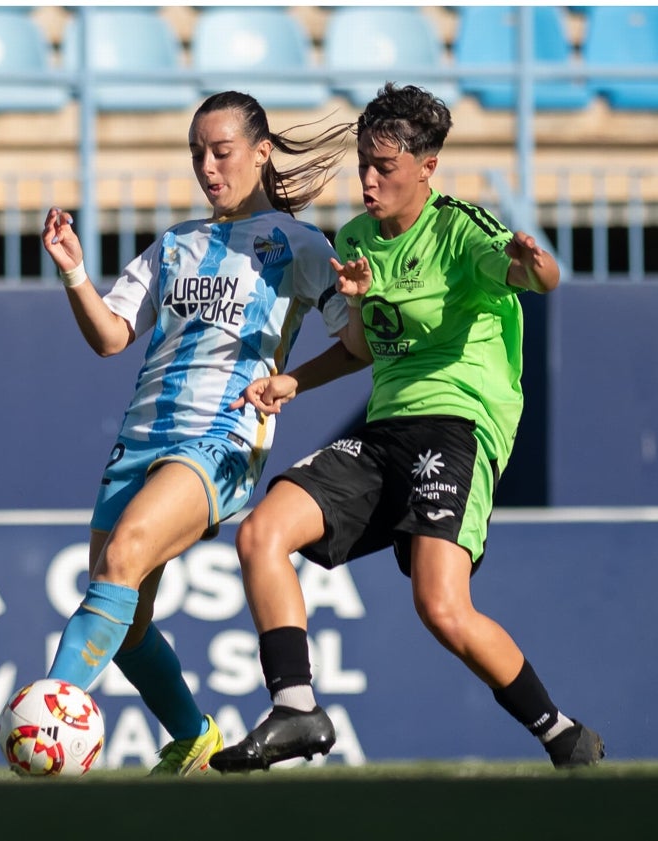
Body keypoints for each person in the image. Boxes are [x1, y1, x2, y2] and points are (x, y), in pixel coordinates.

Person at [209, 83, 605, 773]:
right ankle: (296, 706)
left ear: (425, 167)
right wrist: (294, 378)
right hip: (382, 427)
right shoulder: (358, 237)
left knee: (440, 606)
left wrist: (535, 262)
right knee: (261, 531)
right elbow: (364, 348)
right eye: (364, 161)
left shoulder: (458, 229)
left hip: (455, 424)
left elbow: (535, 277)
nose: (368, 178)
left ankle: (561, 734)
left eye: (384, 166)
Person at [39, 90, 368, 776]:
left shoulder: (300, 245)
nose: (208, 168)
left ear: (260, 151)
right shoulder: (176, 243)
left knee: (123, 555)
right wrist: (73, 268)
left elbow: (359, 345)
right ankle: (192, 737)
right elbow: (110, 337)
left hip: (220, 439)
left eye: (221, 152)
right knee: (123, 619)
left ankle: (49, 717)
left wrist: (322, 346)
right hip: (140, 439)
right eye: (198, 155)